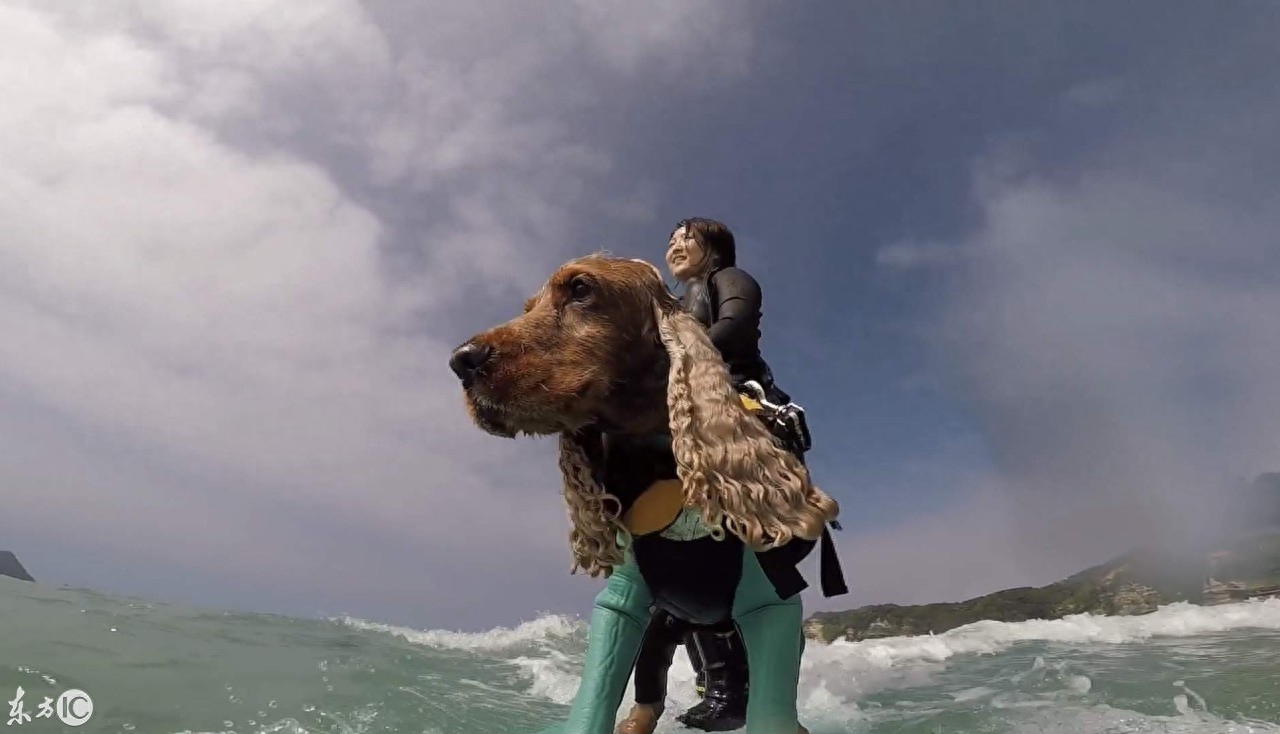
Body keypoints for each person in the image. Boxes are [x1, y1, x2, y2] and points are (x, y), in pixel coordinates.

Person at [615, 217, 843, 734]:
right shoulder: (669, 307)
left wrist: (678, 364)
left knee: (752, 585)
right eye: (671, 239)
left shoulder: (729, 279)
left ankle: (775, 712)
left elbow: (736, 327)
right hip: (677, 415)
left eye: (686, 237)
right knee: (665, 600)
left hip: (735, 405)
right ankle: (656, 705)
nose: (675, 244)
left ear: (713, 247)